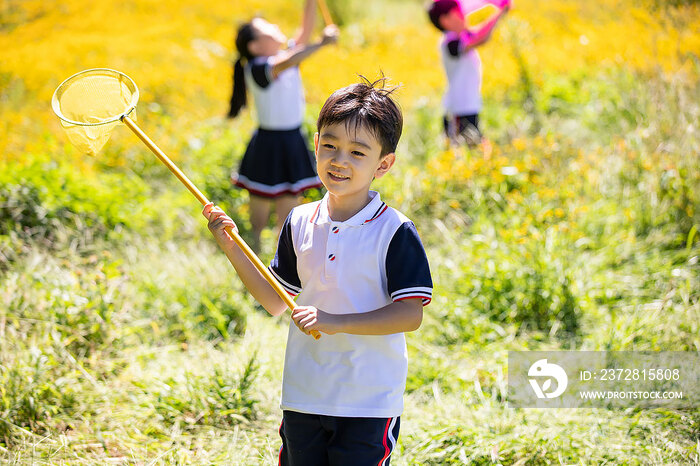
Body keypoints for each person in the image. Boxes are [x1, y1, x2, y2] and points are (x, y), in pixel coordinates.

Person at [204, 77, 433, 465]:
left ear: (384, 164)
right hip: (304, 392)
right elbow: (276, 301)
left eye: (357, 152)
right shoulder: (299, 220)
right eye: (330, 145)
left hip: (369, 399)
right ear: (315, 145)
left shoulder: (394, 230)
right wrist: (232, 246)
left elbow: (410, 314)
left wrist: (334, 320)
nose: (339, 160)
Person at [228, 0, 339, 251]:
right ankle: (254, 245)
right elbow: (290, 60)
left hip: (293, 139)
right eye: (265, 28)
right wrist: (321, 43)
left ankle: (281, 249)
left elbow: (304, 31)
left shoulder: (283, 56)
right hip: (269, 141)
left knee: (290, 195)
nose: (273, 26)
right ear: (255, 46)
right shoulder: (258, 67)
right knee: (260, 194)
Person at [428, 0, 510, 147]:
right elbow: (481, 37)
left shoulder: (461, 37)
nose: (463, 16)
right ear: (445, 20)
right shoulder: (450, 43)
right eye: (458, 13)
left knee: (474, 150)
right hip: (459, 109)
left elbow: (480, 33)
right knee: (466, 152)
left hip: (468, 106)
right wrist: (499, 13)